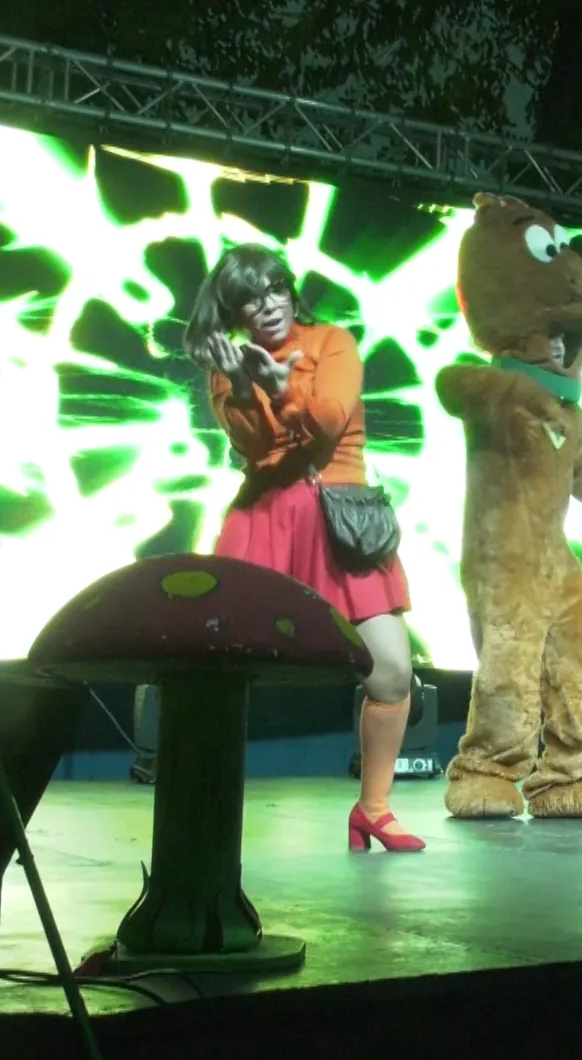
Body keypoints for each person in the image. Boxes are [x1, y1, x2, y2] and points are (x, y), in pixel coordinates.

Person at [184, 244, 424, 852]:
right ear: (234, 313)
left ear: (290, 291)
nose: (266, 306)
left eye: (274, 290)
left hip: (338, 519)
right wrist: (242, 388)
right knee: (219, 676)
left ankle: (373, 807)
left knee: (393, 669)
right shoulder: (228, 364)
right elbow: (254, 448)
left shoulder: (331, 343)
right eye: (249, 300)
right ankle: (202, 812)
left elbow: (328, 422)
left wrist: (280, 386)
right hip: (265, 519)